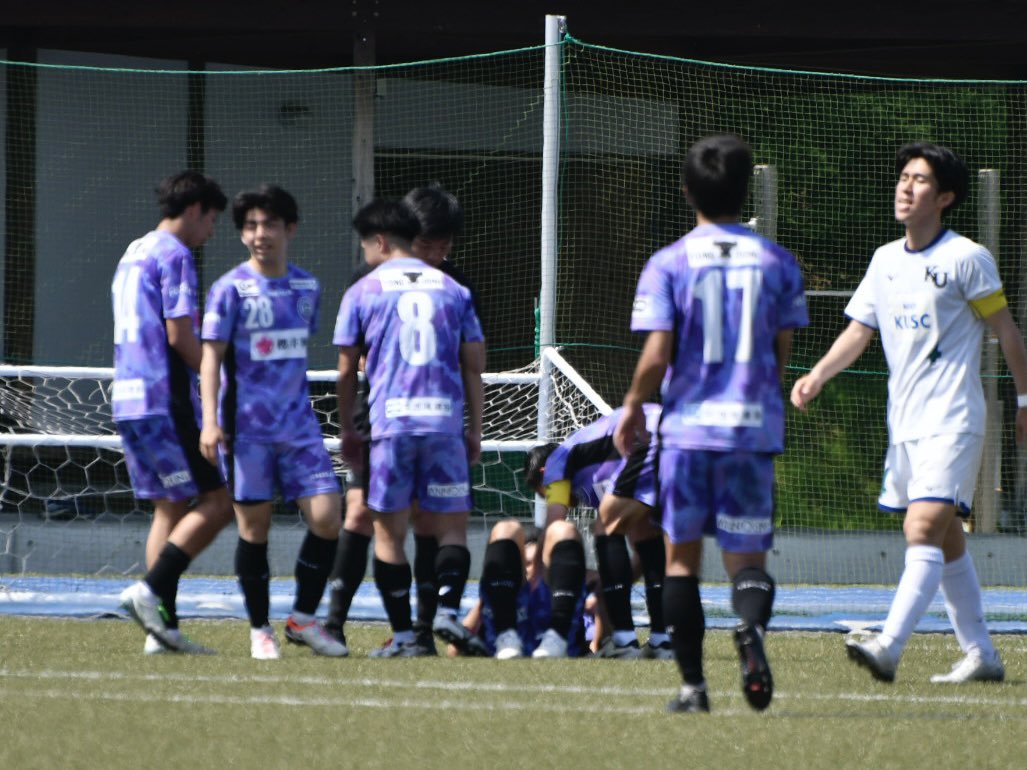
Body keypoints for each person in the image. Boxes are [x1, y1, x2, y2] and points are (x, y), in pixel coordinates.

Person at [791, 143, 1027, 684]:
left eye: (919, 181)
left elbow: (1007, 332)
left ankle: (890, 646)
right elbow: (859, 331)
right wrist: (819, 374)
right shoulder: (884, 260)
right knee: (946, 539)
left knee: (921, 527)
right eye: (903, 177)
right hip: (905, 424)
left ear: (944, 197)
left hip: (954, 418)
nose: (905, 187)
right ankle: (982, 655)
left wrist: (1024, 400)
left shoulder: (967, 257)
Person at [615, 134, 809, 713]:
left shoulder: (668, 262)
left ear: (686, 191)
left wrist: (632, 404)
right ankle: (750, 632)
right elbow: (781, 353)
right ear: (745, 189)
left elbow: (657, 354)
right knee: (747, 560)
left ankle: (693, 687)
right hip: (750, 430)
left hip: (688, 434)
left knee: (680, 561)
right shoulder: (777, 262)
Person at [324, 184, 478, 656]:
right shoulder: (374, 278)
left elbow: (464, 358)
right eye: (429, 242)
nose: (436, 252)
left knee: (423, 524)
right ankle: (334, 621)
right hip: (397, 415)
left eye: (445, 245)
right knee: (361, 513)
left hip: (400, 419)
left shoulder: (448, 284)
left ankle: (419, 631)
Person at [199, 184, 345, 660]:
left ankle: (302, 620)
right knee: (254, 529)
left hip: (300, 429)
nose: (260, 234)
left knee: (327, 518)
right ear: (243, 234)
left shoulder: (308, 287)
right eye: (251, 226)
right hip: (247, 433)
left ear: (290, 229)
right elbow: (211, 359)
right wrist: (209, 420)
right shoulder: (229, 289)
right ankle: (259, 629)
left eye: (270, 225)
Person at [114, 170, 234, 655]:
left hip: (128, 396)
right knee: (220, 500)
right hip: (166, 399)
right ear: (194, 210)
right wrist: (218, 379)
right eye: (211, 220)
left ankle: (159, 631)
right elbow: (179, 335)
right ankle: (151, 590)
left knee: (168, 506)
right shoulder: (175, 254)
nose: (211, 231)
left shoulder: (132, 250)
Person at [524, 404, 670, 660]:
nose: (553, 498)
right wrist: (610, 584)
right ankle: (661, 640)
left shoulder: (558, 462)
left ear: (544, 475)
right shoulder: (599, 478)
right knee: (646, 538)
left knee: (604, 528)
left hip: (646, 435)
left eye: (545, 493)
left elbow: (555, 525)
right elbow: (638, 555)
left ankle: (623, 640)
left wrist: (538, 573)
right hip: (672, 436)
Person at [449, 522, 591, 659]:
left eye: (539, 564)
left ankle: (558, 636)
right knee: (505, 529)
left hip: (562, 654)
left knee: (564, 530)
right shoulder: (498, 599)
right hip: (504, 656)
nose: (532, 569)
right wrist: (485, 601)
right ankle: (506, 635)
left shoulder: (565, 596)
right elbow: (453, 651)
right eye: (527, 564)